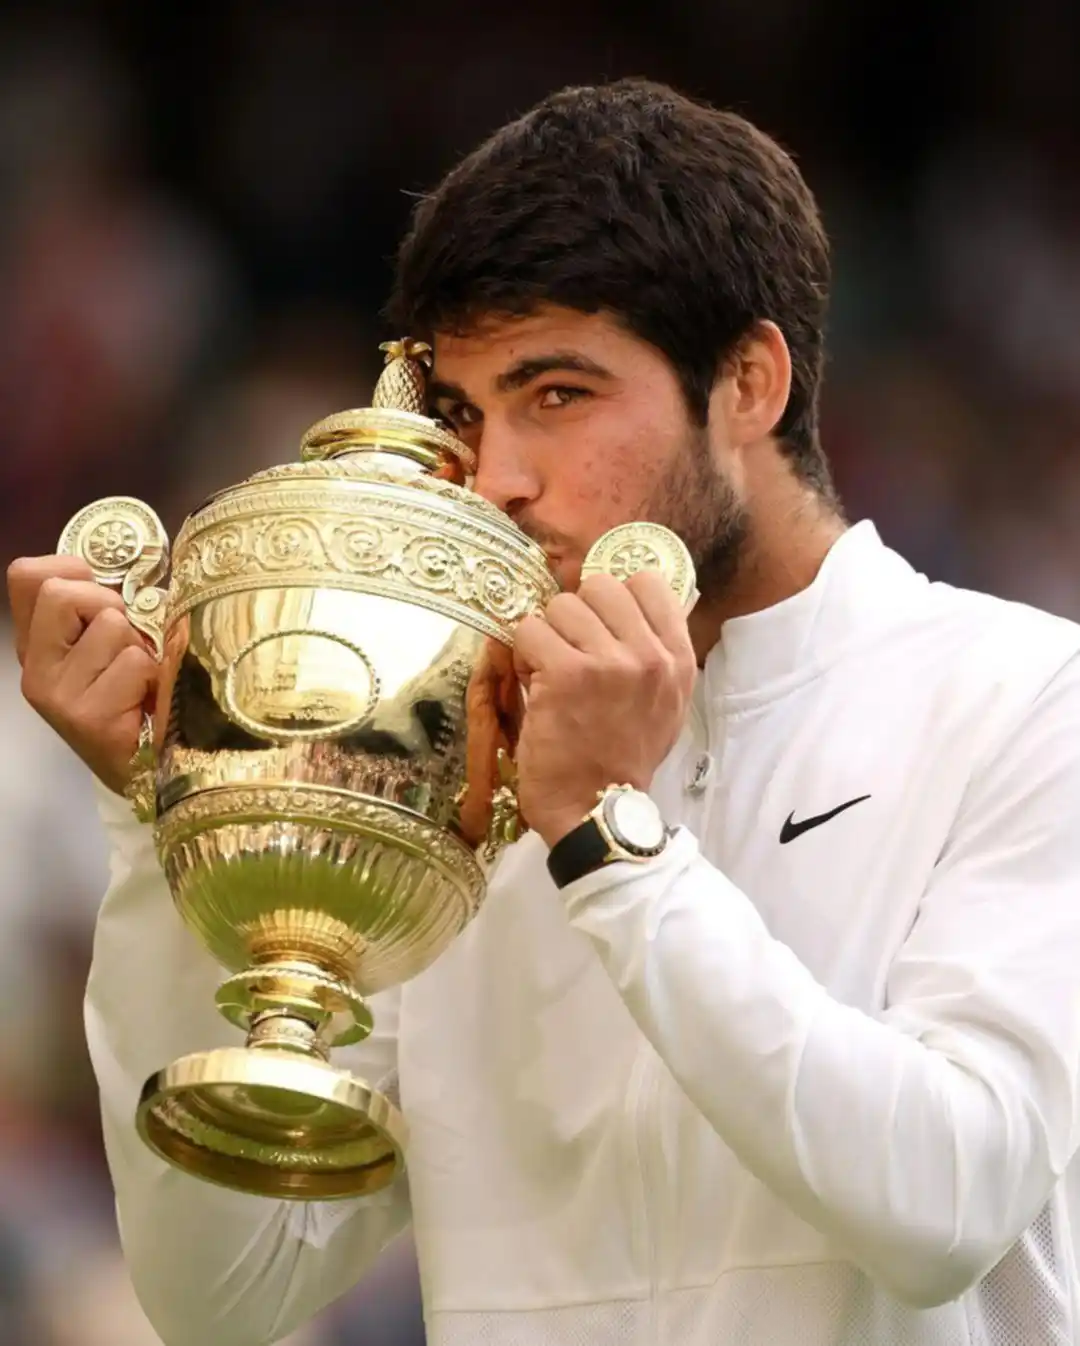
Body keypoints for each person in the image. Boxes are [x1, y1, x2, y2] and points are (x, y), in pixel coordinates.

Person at [10, 77, 1080, 1346]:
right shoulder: (449, 756)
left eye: (558, 393)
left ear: (749, 382)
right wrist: (163, 812)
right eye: (466, 414)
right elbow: (219, 1291)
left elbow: (946, 1204)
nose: (500, 480)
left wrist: (608, 843)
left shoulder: (1023, 695)